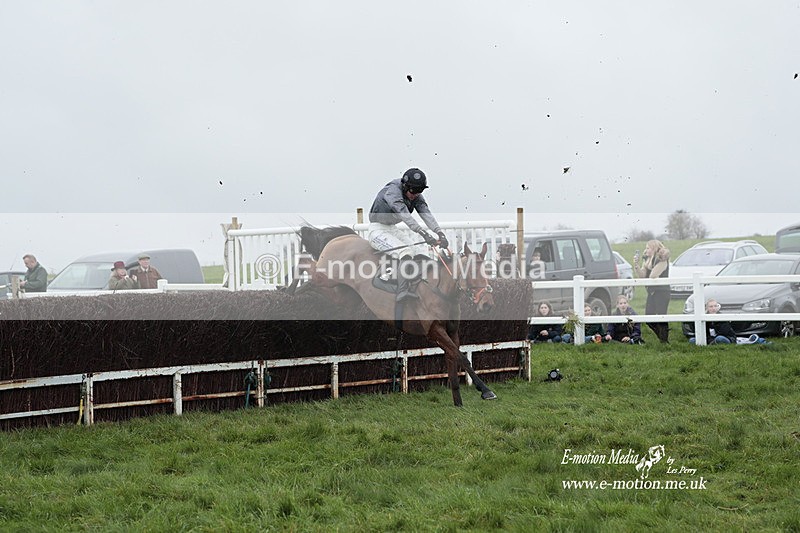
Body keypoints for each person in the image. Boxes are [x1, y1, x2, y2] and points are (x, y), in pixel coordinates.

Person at [368, 168, 448, 301]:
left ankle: (419, 283)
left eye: (420, 191)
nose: (416, 194)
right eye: (414, 191)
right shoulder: (393, 192)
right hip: (377, 231)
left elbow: (425, 213)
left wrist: (439, 233)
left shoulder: (415, 193)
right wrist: (423, 233)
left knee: (418, 250)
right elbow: (404, 214)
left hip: (391, 228)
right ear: (405, 186)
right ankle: (402, 291)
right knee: (405, 252)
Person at [634, 239, 671, 343]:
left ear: (654, 248)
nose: (646, 250)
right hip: (652, 292)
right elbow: (642, 276)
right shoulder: (648, 260)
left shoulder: (662, 260)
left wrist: (647, 265)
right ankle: (663, 338)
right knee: (649, 318)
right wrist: (637, 265)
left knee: (661, 316)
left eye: (648, 248)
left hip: (662, 292)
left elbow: (653, 275)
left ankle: (664, 340)